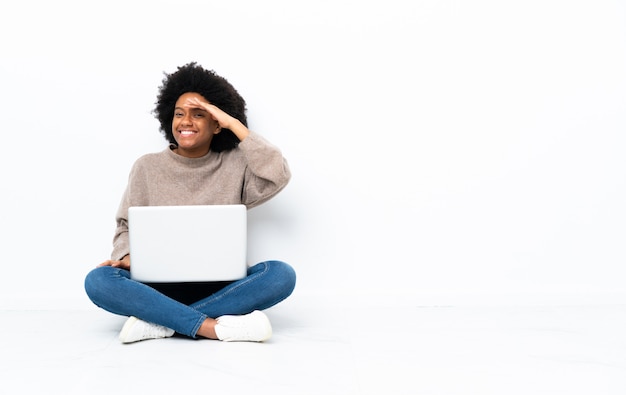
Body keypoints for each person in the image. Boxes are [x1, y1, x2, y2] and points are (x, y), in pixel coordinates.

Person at [84, 62, 296, 344]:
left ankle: (162, 322)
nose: (185, 122)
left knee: (281, 275)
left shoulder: (236, 165)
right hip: (157, 287)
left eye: (199, 114)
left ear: (216, 123)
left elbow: (277, 175)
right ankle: (211, 326)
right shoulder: (147, 167)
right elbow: (125, 225)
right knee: (98, 281)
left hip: (222, 285)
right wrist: (124, 257)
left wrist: (234, 124)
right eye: (179, 113)